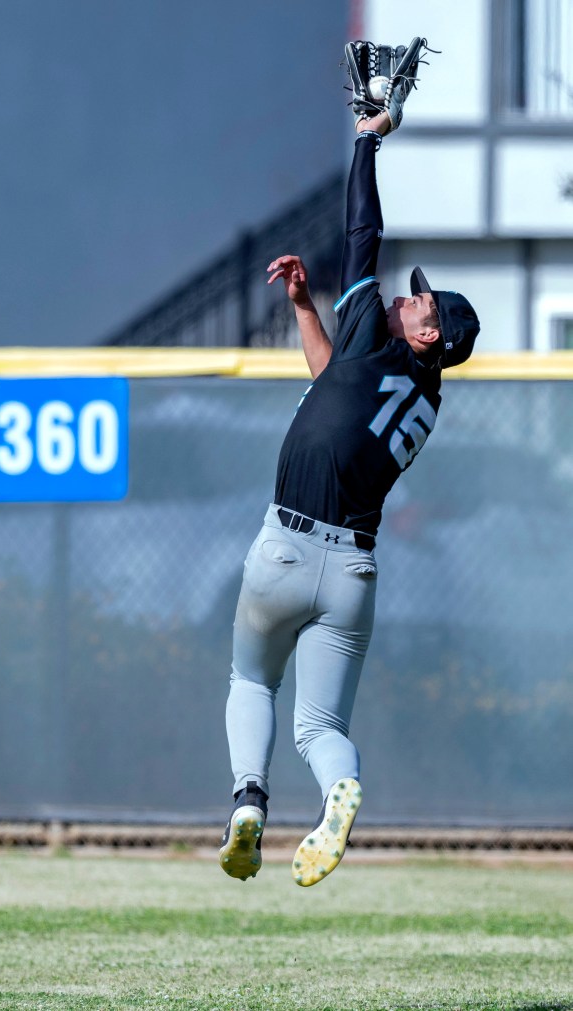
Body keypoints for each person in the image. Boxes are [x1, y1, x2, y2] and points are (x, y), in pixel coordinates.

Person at [219, 38, 480, 887]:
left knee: (250, 680)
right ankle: (339, 791)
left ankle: (248, 804)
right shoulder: (422, 392)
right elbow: (336, 390)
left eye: (422, 301)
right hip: (355, 569)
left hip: (285, 547)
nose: (408, 297)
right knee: (320, 723)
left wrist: (370, 138)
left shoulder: (382, 337)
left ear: (430, 334)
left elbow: (361, 232)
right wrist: (303, 309)